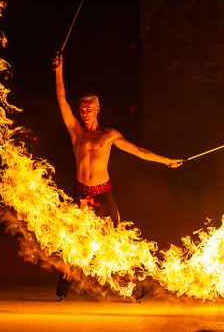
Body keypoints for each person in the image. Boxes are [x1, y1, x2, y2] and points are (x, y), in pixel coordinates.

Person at [53, 52, 182, 299]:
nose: (84, 113)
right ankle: (66, 274)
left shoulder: (109, 135)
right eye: (82, 109)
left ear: (98, 109)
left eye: (89, 109)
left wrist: (166, 161)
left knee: (117, 238)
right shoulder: (76, 131)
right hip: (81, 192)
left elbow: (138, 151)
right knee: (70, 236)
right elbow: (61, 100)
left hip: (103, 193)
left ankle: (132, 282)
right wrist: (59, 70)